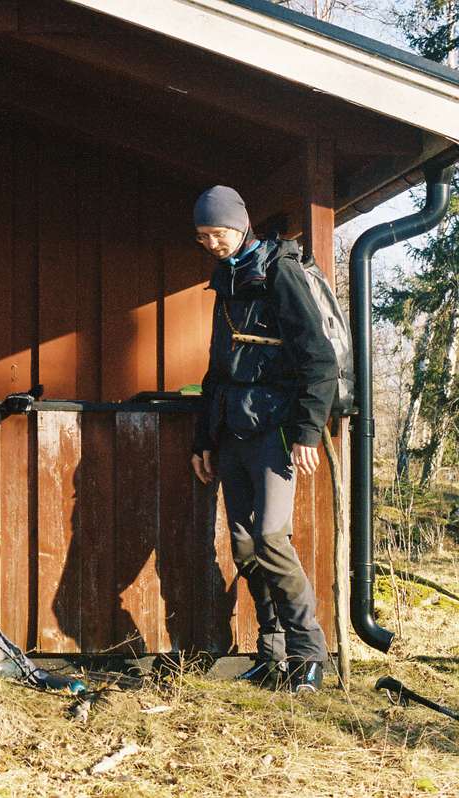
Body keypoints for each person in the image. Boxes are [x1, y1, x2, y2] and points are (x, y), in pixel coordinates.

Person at [190, 185, 335, 693]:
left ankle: (309, 653)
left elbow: (320, 358)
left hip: (276, 428)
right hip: (231, 428)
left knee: (272, 538)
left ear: (242, 225)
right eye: (205, 235)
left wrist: (308, 432)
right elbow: (216, 368)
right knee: (245, 548)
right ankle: (271, 654)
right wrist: (202, 440)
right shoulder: (224, 278)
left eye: (221, 232)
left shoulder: (280, 271)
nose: (214, 243)